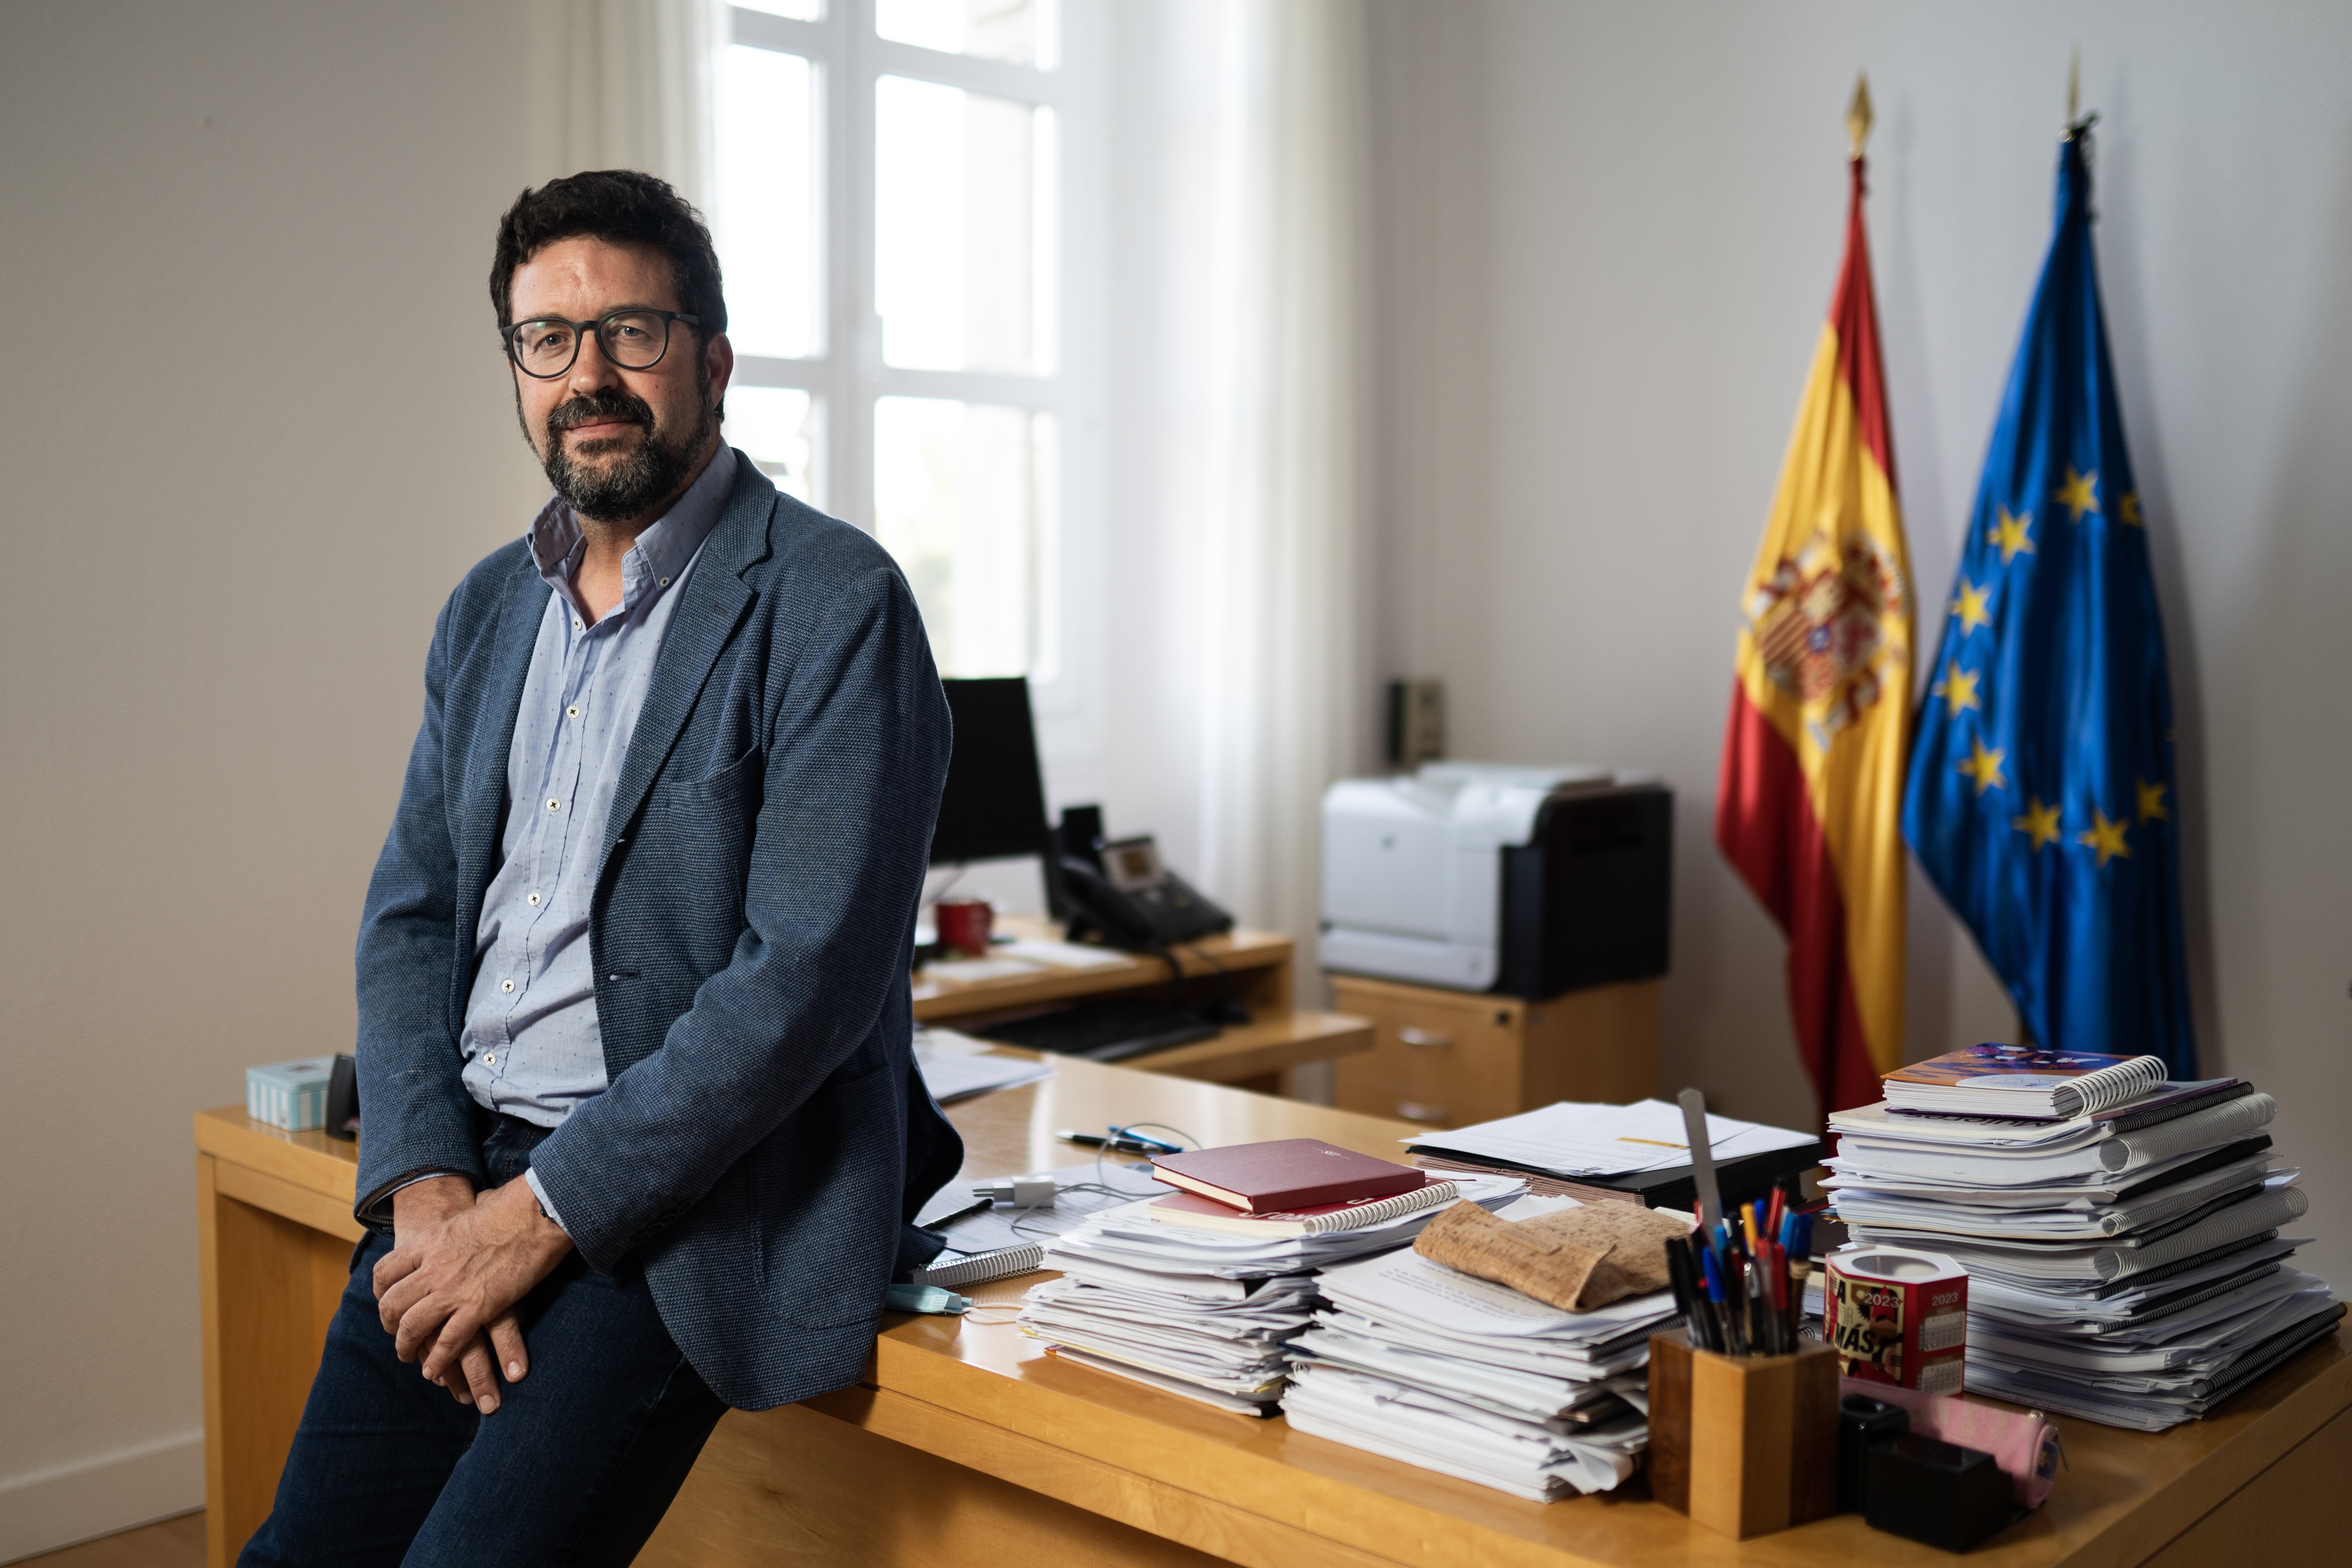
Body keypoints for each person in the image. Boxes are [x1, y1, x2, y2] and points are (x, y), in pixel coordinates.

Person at [240, 170, 962, 1566]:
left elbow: (805, 981)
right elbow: (413, 918)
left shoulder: (834, 601)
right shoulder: (487, 608)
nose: (591, 376)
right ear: (516, 367)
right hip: (467, 1181)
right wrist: (429, 1185)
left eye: (633, 332)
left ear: (713, 360)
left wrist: (543, 1214)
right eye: (548, 340)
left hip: (689, 1203)